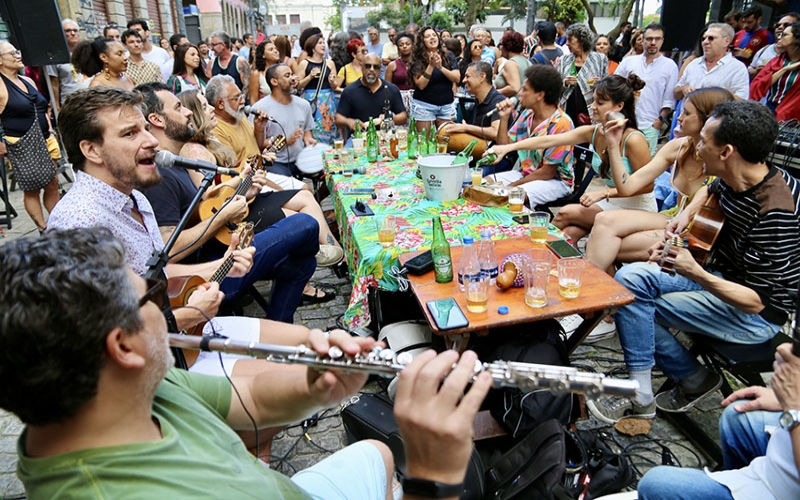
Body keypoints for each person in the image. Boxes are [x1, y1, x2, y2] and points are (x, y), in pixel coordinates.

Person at [0, 226, 493, 499]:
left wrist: (316, 383)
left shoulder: (126, 390)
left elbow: (251, 398)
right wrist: (432, 477)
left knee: (380, 456)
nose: (166, 305)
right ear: (122, 347)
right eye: (152, 294)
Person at [587, 100, 800, 424]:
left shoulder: (776, 214)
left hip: (751, 313)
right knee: (629, 279)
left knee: (633, 305)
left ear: (726, 151)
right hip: (717, 274)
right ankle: (686, 378)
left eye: (704, 141)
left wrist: (694, 271)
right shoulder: (742, 174)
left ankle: (647, 392)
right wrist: (686, 216)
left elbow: (758, 303)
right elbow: (709, 190)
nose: (697, 146)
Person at [586, 87, 734, 274]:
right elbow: (627, 187)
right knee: (602, 221)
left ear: (709, 120)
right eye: (680, 111)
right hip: (673, 217)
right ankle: (601, 292)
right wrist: (613, 146)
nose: (678, 118)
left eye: (686, 113)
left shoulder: (722, 157)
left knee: (603, 242)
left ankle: (598, 290)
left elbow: (710, 192)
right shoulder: (678, 147)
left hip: (698, 233)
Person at [490, 74, 652, 241]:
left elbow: (647, 187)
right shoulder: (595, 131)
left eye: (600, 103)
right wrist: (507, 147)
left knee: (564, 214)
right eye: (594, 100)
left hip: (636, 207)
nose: (593, 106)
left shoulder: (633, 139)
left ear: (619, 106)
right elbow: (549, 139)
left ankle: (534, 248)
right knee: (570, 234)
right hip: (611, 202)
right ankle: (555, 260)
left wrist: (605, 193)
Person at [636, 344, 800, 498]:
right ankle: (733, 483)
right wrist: (782, 400)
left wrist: (793, 408)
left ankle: (685, 379)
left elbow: (755, 311)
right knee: (738, 417)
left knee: (657, 484)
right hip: (782, 466)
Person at [482, 64, 575, 206]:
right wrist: (504, 118)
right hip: (527, 173)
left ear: (540, 95)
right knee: (485, 183)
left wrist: (514, 185)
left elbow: (548, 172)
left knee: (511, 195)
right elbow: (504, 145)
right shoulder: (528, 114)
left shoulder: (561, 123)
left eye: (525, 90)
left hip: (555, 181)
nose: (520, 93)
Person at [0, 41, 60, 233]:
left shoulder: (28, 80)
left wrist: (50, 130)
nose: (18, 55)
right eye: (12, 53)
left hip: (45, 139)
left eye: (18, 51)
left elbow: (41, 108)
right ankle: (43, 228)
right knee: (33, 187)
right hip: (22, 142)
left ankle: (58, 222)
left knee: (53, 182)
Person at [614, 23, 679, 156]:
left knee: (646, 167)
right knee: (620, 161)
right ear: (642, 40)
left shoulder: (669, 66)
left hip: (650, 125)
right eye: (649, 39)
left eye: (657, 39)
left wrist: (660, 120)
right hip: (625, 122)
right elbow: (614, 87)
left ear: (662, 41)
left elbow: (669, 99)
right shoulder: (629, 62)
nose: (653, 42)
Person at [335, 53, 407, 137]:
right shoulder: (350, 91)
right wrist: (349, 122)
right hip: (359, 138)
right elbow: (338, 119)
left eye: (376, 67)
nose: (372, 69)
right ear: (361, 67)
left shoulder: (391, 89)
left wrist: (390, 118)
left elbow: (403, 117)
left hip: (385, 137)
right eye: (368, 66)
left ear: (380, 70)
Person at [674, 23, 750, 101]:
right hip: (686, 112)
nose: (705, 42)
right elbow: (676, 93)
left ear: (726, 42)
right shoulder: (694, 64)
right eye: (703, 39)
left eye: (711, 38)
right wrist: (684, 88)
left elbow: (741, 100)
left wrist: (712, 98)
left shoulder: (737, 68)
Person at [556, 23, 609, 130]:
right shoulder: (564, 60)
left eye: (570, 40)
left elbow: (608, 86)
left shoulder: (599, 59)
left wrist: (600, 83)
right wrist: (565, 82)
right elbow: (555, 86)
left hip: (590, 109)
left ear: (581, 41)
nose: (566, 43)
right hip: (567, 109)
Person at [409, 26, 460, 132]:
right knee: (425, 144)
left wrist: (440, 67)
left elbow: (457, 78)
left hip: (446, 106)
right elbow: (421, 85)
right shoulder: (417, 58)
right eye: (427, 36)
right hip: (424, 107)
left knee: (445, 142)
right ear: (422, 42)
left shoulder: (448, 55)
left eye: (434, 35)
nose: (432, 38)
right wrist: (431, 66)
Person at [750, 20, 800, 122]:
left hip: (793, 117)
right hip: (769, 109)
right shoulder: (776, 61)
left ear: (796, 38)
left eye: (784, 35)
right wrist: (785, 69)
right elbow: (758, 85)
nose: (779, 37)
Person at [295, 34, 339, 144]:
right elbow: (298, 85)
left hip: (327, 102)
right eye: (319, 43)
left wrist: (332, 82)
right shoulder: (304, 63)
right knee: (312, 128)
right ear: (312, 46)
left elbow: (335, 86)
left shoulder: (330, 63)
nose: (323, 45)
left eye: (324, 43)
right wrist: (310, 77)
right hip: (310, 101)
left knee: (328, 128)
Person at [47, 19, 89, 111]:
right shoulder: (55, 56)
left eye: (75, 30)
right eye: (68, 31)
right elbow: (54, 83)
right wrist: (56, 105)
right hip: (71, 104)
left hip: (91, 100)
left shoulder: (88, 52)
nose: (73, 33)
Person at [749, 13, 800, 79]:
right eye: (778, 25)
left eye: (786, 25)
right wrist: (757, 72)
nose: (780, 27)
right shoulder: (764, 49)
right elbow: (749, 70)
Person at [494, 31, 531, 98]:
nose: (500, 48)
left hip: (513, 106)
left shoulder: (510, 64)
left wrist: (494, 93)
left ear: (507, 47)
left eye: (502, 45)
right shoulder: (527, 61)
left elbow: (515, 88)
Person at [384, 33, 415, 111]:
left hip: (416, 100)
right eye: (401, 45)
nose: (404, 46)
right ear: (397, 48)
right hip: (398, 99)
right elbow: (387, 87)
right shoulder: (392, 65)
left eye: (407, 44)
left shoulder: (418, 63)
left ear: (412, 46)